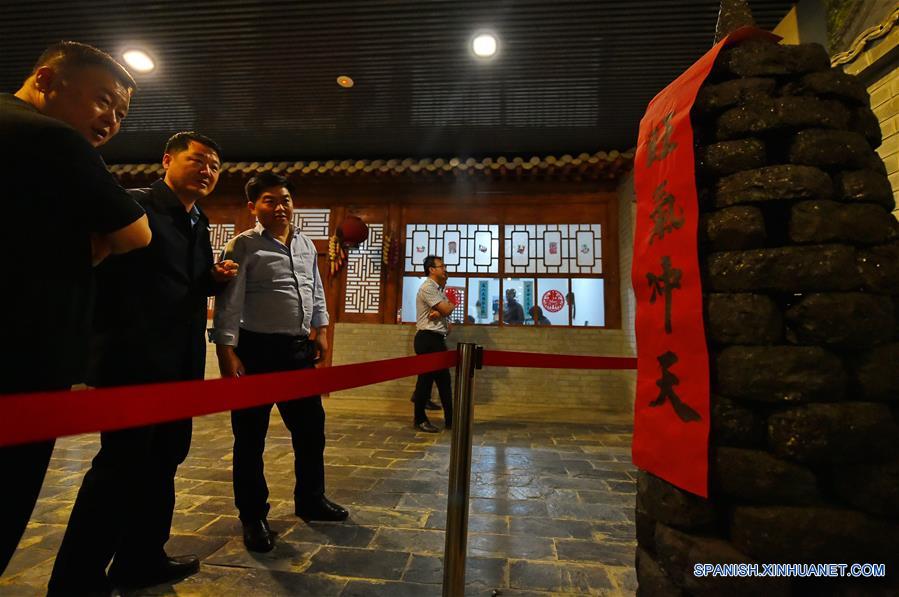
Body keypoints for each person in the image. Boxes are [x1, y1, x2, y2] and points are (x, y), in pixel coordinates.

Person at [48, 132, 237, 594]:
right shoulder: (134, 207)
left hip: (180, 364)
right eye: (198, 160)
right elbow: (97, 274)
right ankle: (76, 580)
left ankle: (141, 559)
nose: (208, 170)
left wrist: (211, 280)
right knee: (119, 468)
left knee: (165, 461)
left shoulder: (199, 220)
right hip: (133, 363)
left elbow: (181, 286)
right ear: (168, 159)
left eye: (215, 164)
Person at [0, 41, 151, 576]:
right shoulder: (49, 137)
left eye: (121, 113)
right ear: (45, 80)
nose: (111, 120)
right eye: (102, 100)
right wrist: (100, 239)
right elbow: (137, 230)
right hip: (21, 362)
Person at [213, 172, 348, 554]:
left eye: (285, 199)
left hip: (296, 352)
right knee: (250, 438)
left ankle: (311, 499)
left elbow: (316, 289)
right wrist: (226, 350)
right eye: (270, 200)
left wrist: (321, 330)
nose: (280, 206)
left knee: (311, 430)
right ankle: (253, 516)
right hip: (255, 351)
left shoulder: (305, 243)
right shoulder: (242, 246)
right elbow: (229, 302)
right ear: (253, 207)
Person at [411, 255, 455, 433]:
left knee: (440, 381)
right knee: (429, 381)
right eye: (441, 266)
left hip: (435, 339)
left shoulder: (439, 289)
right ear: (431, 269)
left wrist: (444, 309)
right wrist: (446, 307)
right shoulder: (428, 287)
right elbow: (447, 309)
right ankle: (420, 419)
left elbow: (446, 315)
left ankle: (451, 420)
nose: (445, 269)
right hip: (427, 339)